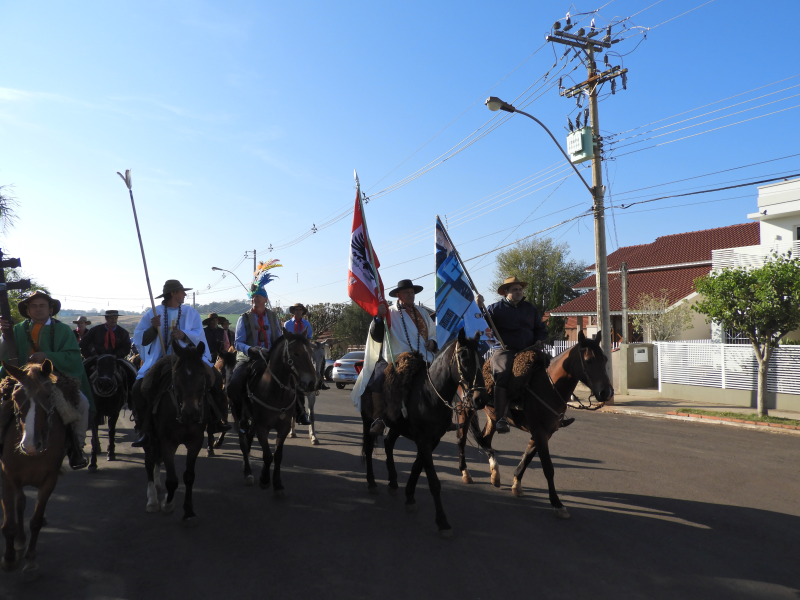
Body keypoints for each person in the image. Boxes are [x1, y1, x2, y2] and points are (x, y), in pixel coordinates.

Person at [130, 280, 231, 447]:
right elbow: (141, 339)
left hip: (188, 357)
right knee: (138, 388)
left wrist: (184, 334)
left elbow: (199, 335)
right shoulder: (152, 314)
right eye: (182, 292)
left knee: (216, 377)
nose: (185, 294)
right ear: (173, 294)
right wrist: (152, 329)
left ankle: (215, 420)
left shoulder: (191, 313)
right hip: (161, 359)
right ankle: (145, 429)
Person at [0, 291, 92, 469]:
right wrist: (5, 333)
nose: (38, 309)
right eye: (33, 306)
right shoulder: (17, 329)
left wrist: (47, 356)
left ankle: (77, 449)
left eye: (42, 305)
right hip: (22, 380)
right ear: (27, 310)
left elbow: (72, 357)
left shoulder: (64, 330)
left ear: (50, 309)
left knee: (83, 403)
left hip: (56, 380)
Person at [226, 277, 312, 428]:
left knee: (294, 377)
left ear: (265, 299)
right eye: (253, 297)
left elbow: (279, 338)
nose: (255, 299)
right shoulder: (243, 318)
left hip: (271, 357)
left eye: (258, 296)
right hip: (249, 358)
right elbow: (238, 343)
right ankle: (241, 419)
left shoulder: (272, 317)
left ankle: (300, 411)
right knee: (234, 385)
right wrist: (250, 349)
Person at [358, 279, 437, 436]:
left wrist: (433, 342)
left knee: (442, 375)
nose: (411, 295)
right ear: (398, 295)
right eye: (407, 292)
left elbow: (433, 332)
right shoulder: (389, 312)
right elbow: (377, 335)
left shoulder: (423, 313)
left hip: (423, 356)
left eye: (412, 292)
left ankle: (442, 414)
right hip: (394, 356)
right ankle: (379, 418)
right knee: (378, 379)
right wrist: (379, 318)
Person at [477, 276, 552, 434]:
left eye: (520, 289)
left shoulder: (530, 309)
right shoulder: (494, 309)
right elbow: (481, 325)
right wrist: (479, 307)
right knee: (502, 373)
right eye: (515, 290)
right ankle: (501, 417)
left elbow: (540, 328)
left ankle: (552, 412)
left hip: (529, 349)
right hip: (505, 349)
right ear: (506, 293)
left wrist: (540, 339)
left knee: (548, 369)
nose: (519, 292)